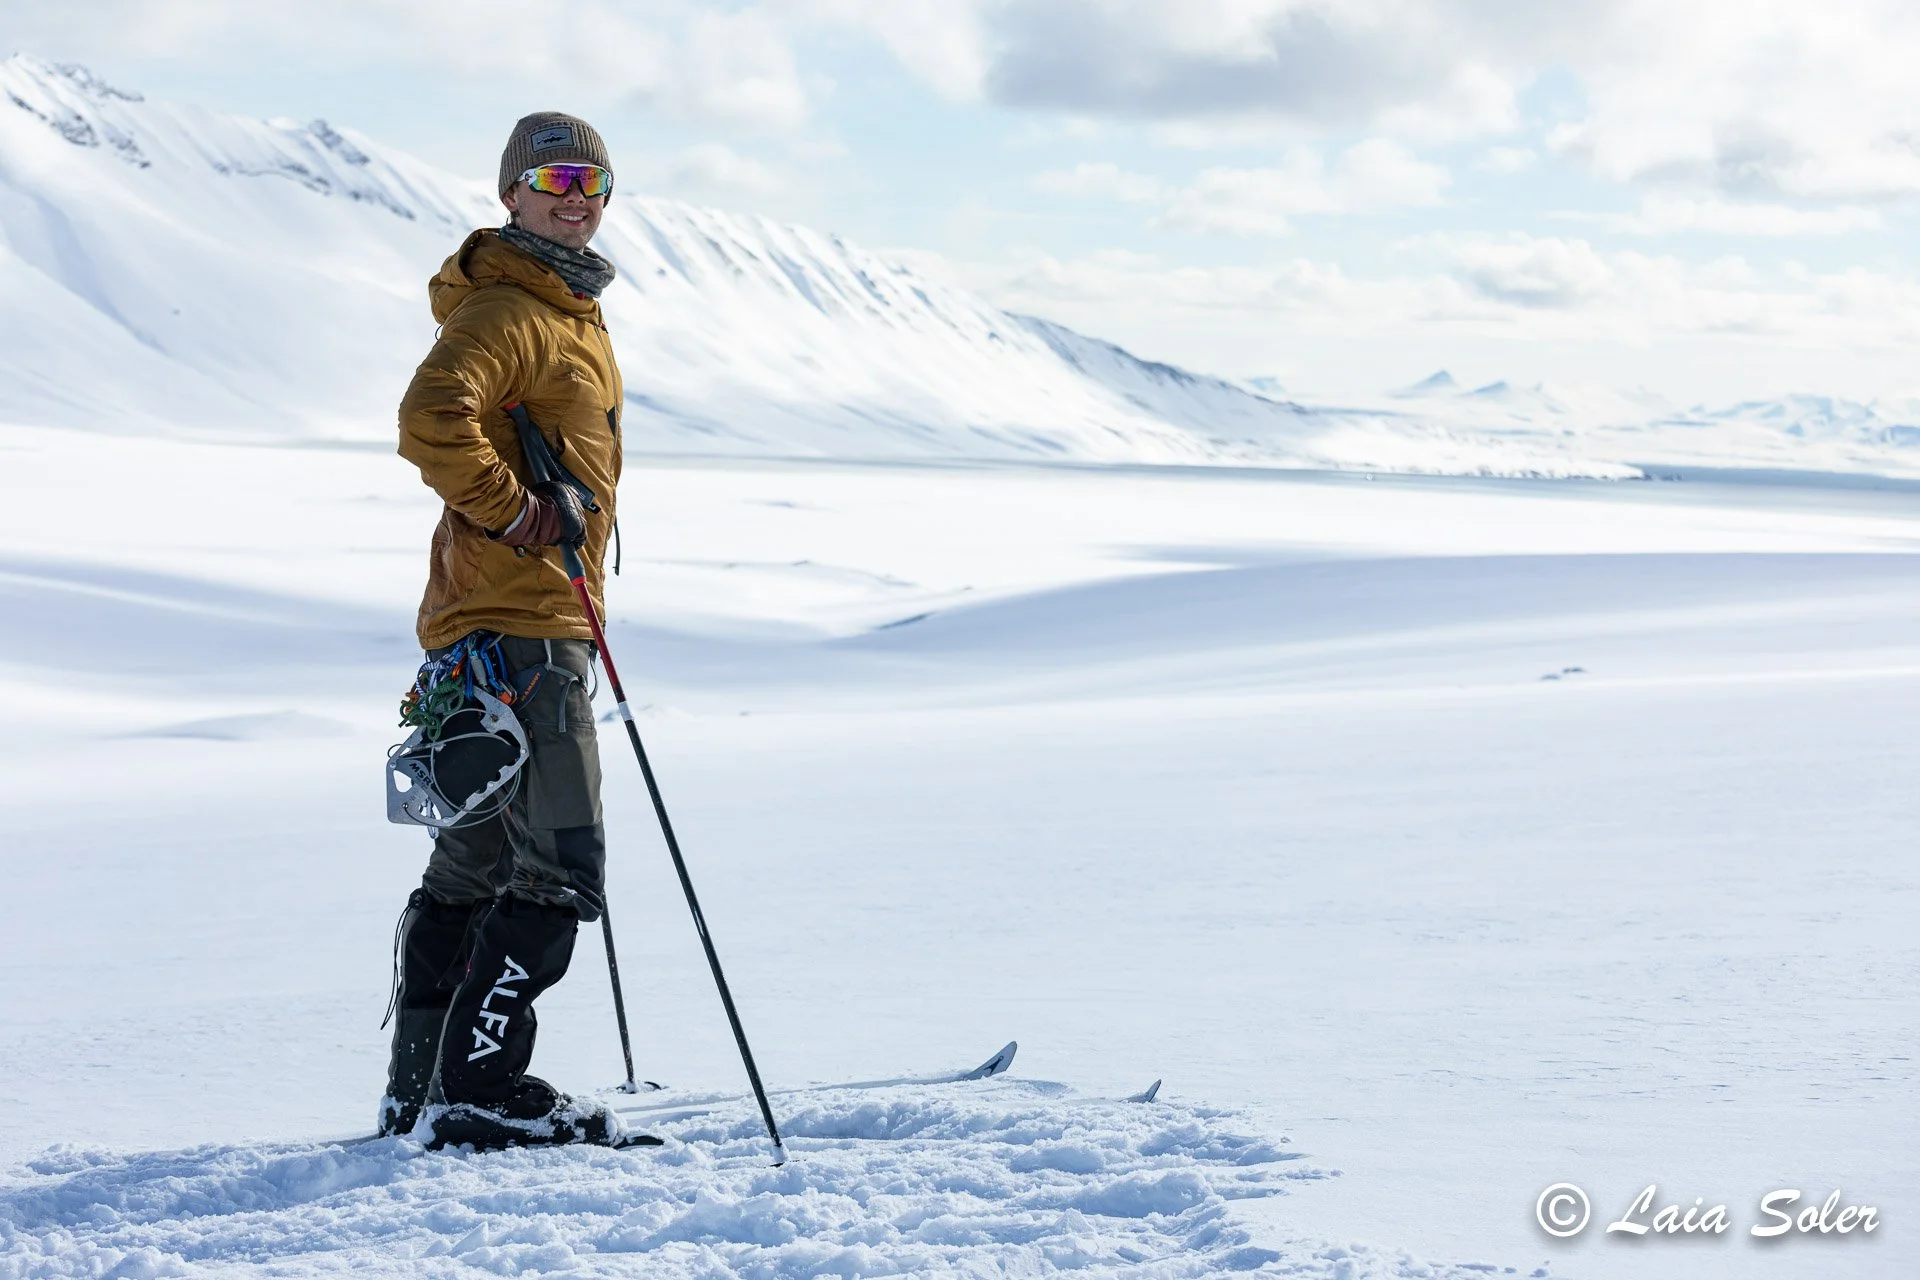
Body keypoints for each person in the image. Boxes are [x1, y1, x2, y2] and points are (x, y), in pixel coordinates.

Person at [378, 111, 625, 1147]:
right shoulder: (512, 310)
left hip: (501, 624)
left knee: (472, 866)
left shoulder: (561, 309)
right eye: (556, 177)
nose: (577, 198)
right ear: (512, 192)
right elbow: (432, 416)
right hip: (523, 628)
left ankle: (422, 1091)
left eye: (594, 183)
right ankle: (480, 1088)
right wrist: (521, 514)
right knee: (560, 864)